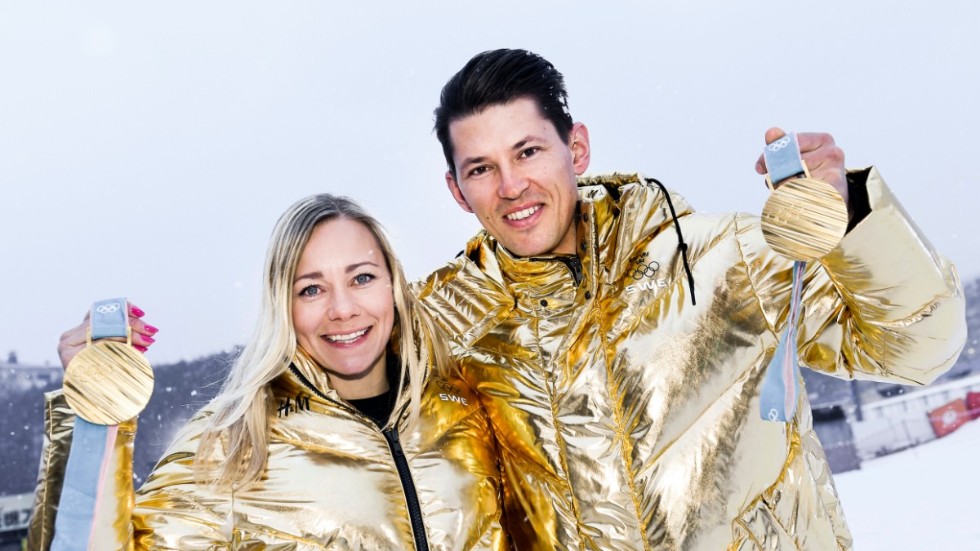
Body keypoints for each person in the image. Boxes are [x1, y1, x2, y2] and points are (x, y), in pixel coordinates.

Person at [415, 48, 967, 550]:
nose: (511, 186)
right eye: (482, 168)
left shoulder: (726, 260)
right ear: (458, 190)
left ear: (576, 148)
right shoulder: (445, 331)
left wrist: (847, 221)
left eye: (528, 151)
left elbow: (919, 347)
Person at [28, 194, 508, 550]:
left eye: (362, 278)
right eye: (311, 290)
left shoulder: (466, 408)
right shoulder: (236, 439)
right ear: (283, 306)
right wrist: (93, 416)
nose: (342, 309)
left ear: (393, 286)